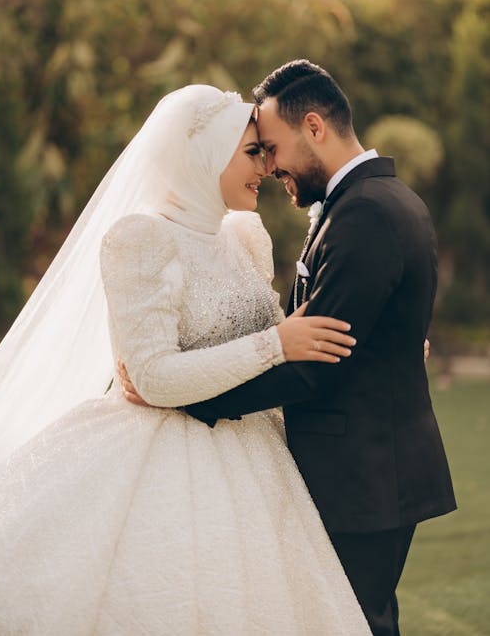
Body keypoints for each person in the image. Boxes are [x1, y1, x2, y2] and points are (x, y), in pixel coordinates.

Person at [0, 84, 372, 634]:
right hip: (157, 465)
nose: (264, 167)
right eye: (251, 153)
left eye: (264, 152)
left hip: (259, 460)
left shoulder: (245, 237)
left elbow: (301, 334)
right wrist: (274, 345)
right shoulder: (143, 240)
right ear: (204, 156)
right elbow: (153, 378)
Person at [137, 61, 456, 636]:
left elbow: (314, 367)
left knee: (351, 622)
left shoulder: (363, 213)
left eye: (273, 147)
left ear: (314, 127)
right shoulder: (375, 200)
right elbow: (342, 331)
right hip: (368, 466)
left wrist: (187, 399)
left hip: (364, 474)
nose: (269, 163)